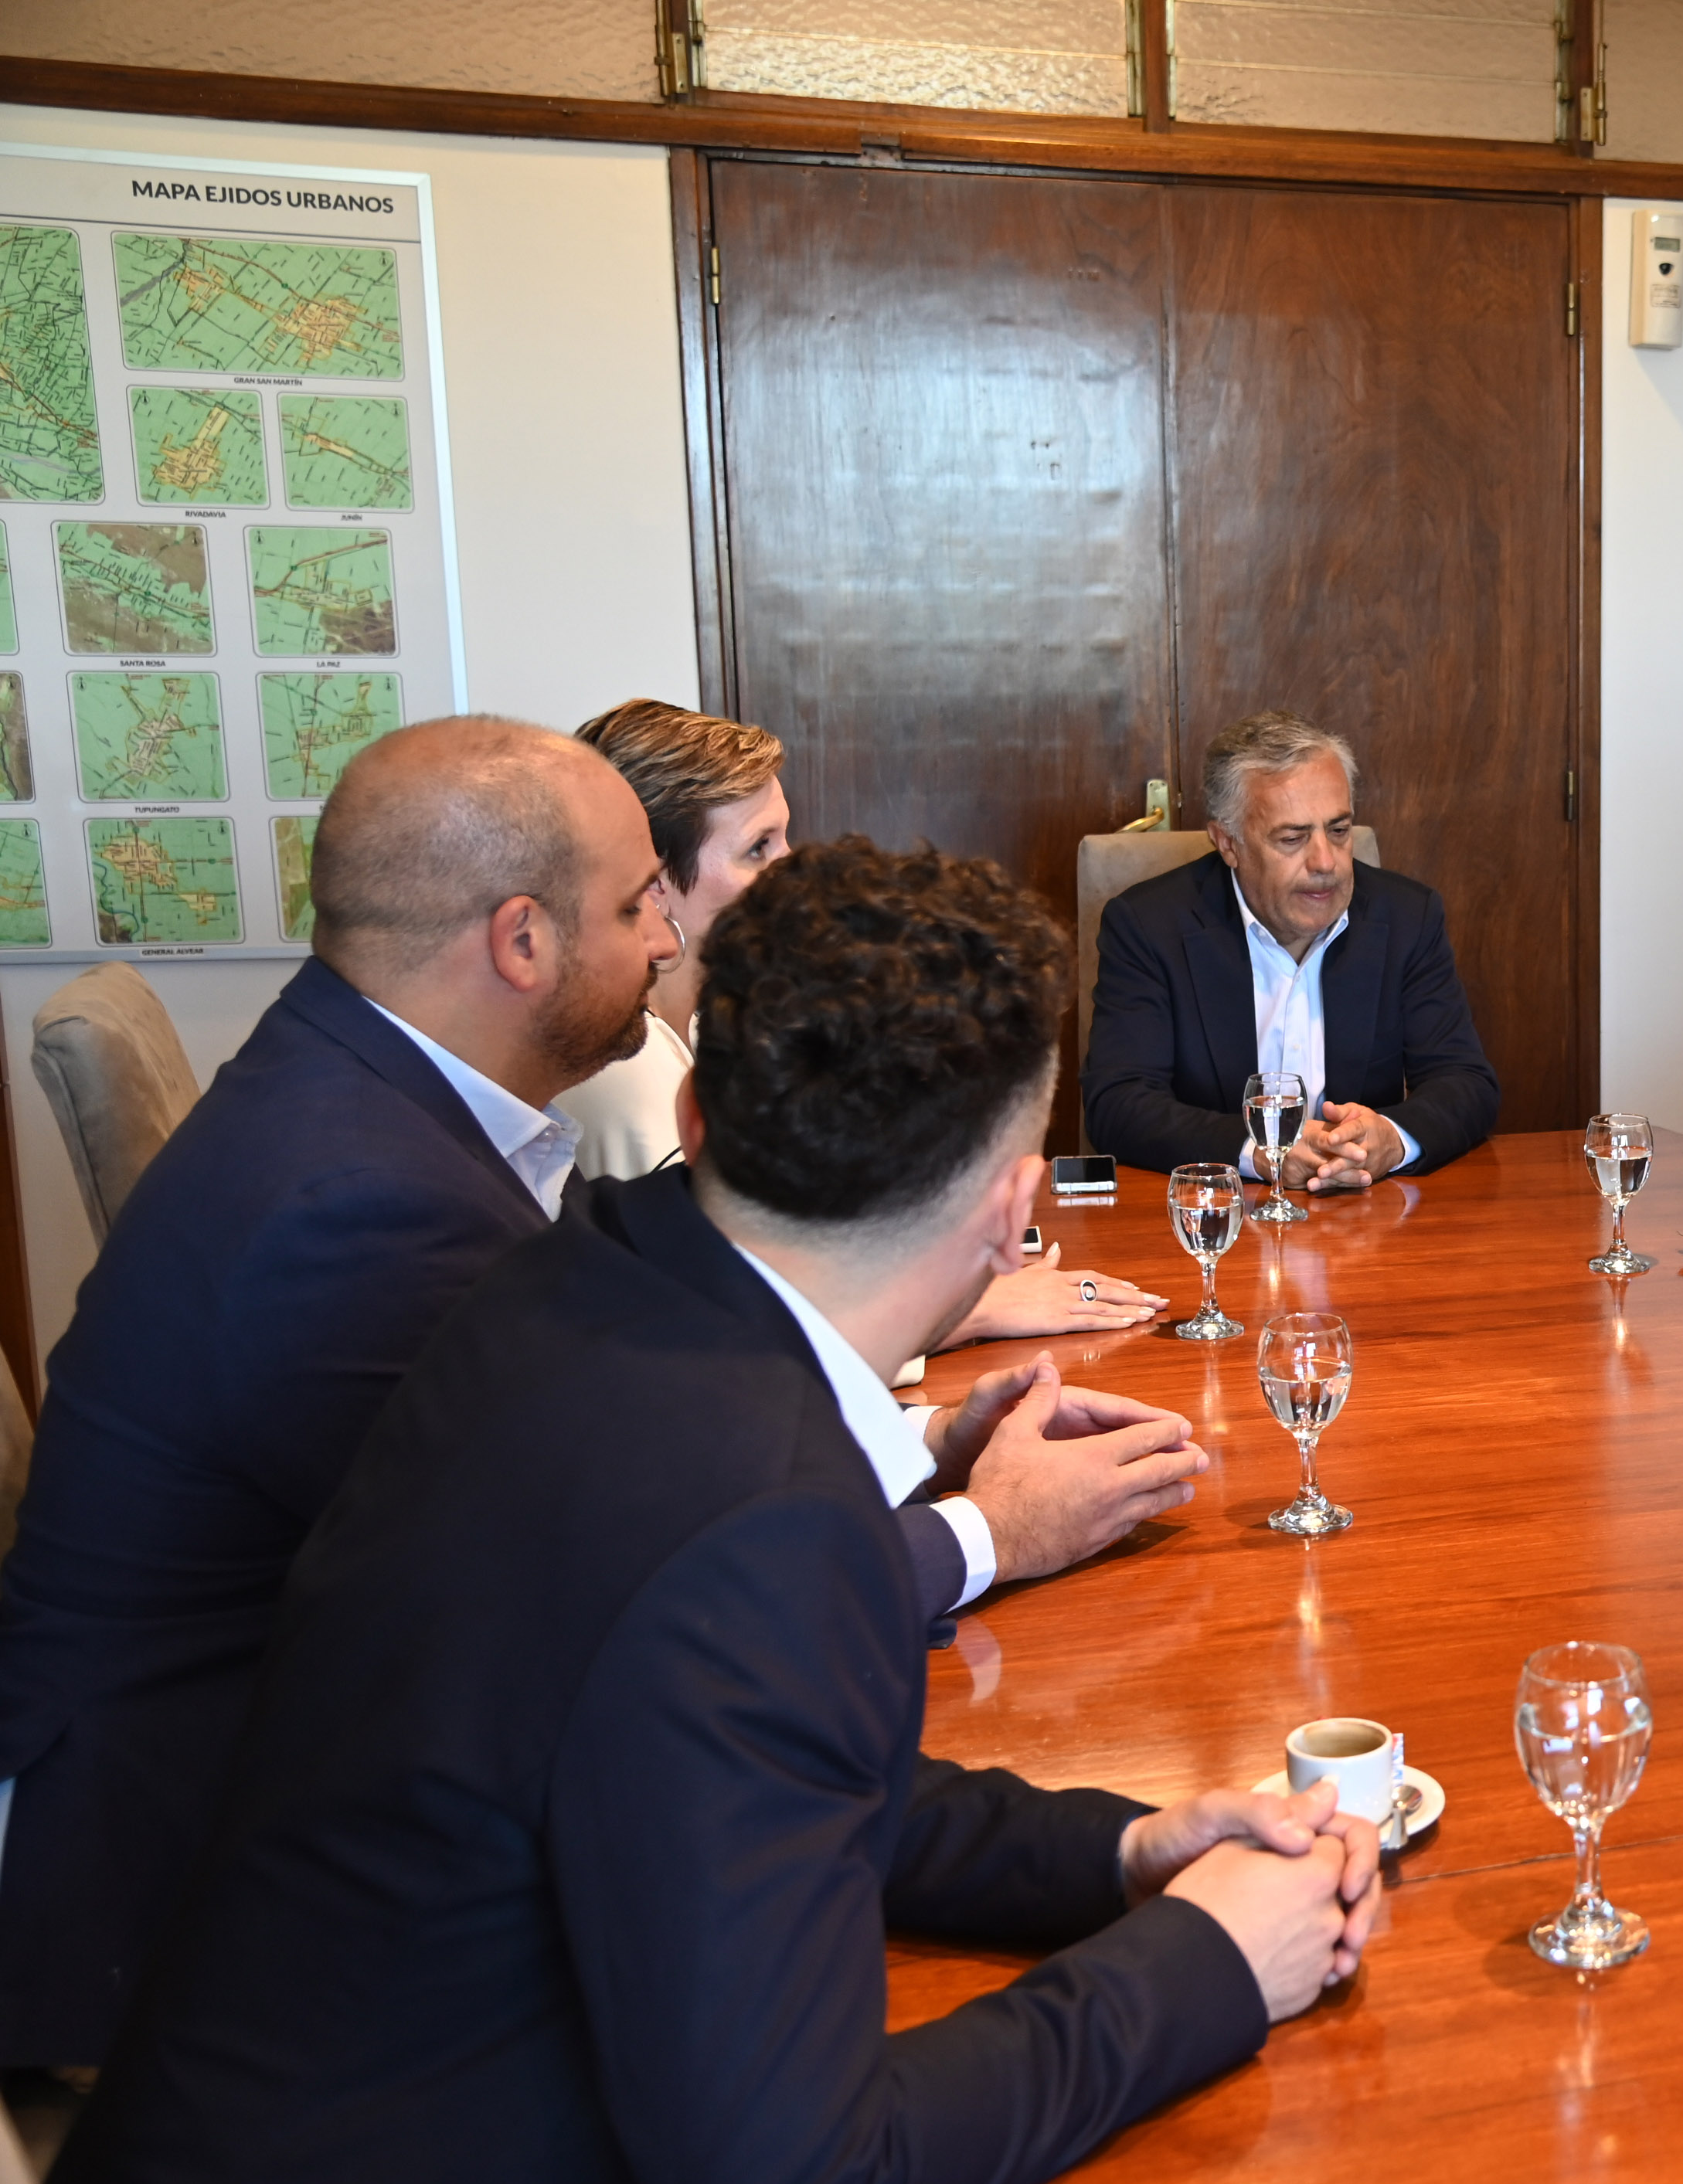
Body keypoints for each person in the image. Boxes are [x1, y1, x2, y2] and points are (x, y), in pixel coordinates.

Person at [49, 838, 1375, 2184]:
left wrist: (1122, 1856)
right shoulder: (766, 1524)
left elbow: (755, 1771)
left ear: (695, 1114)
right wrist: (1203, 1962)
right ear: (1014, 1208)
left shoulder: (582, 1277)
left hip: (228, 2171)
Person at [0, 718, 1179, 2075]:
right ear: (520, 942)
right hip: (192, 1930)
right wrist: (989, 1535)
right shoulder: (358, 1209)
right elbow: (606, 1611)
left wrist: (913, 1443)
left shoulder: (369, 1102)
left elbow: (599, 1507)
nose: (670, 943)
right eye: (635, 908)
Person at [563, 698, 1161, 1339]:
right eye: (758, 848)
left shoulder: (721, 1015)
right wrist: (963, 1312)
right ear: (653, 876)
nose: (793, 864)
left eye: (785, 835)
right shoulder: (621, 1057)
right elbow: (714, 1317)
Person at [1083, 711, 1499, 1187]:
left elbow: (1467, 1083)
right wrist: (1259, 1154)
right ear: (1228, 843)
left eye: (1339, 830)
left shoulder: (1408, 916)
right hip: (1217, 1220)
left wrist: (1393, 1138)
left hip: (1364, 1222)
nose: (1326, 862)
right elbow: (1118, 1104)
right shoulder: (1149, 926)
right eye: (1292, 838)